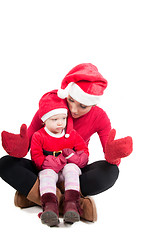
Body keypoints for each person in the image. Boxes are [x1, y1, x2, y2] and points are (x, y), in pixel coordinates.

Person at [0, 63, 133, 222]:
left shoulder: (100, 117)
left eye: (83, 105)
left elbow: (109, 154)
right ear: (66, 94)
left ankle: (37, 197)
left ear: (94, 103)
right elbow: (28, 140)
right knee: (5, 164)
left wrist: (114, 154)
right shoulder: (52, 105)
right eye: (71, 100)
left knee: (110, 171)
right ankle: (71, 205)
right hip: (45, 167)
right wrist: (19, 146)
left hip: (73, 169)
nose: (74, 110)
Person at [31, 90, 89, 226]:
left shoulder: (71, 134)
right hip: (51, 170)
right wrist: (50, 162)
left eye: (63, 118)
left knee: (71, 168)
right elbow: (36, 156)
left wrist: (74, 158)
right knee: (46, 174)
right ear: (45, 120)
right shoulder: (39, 136)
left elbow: (83, 151)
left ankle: (72, 205)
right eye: (55, 119)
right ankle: (50, 207)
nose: (60, 123)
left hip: (67, 169)